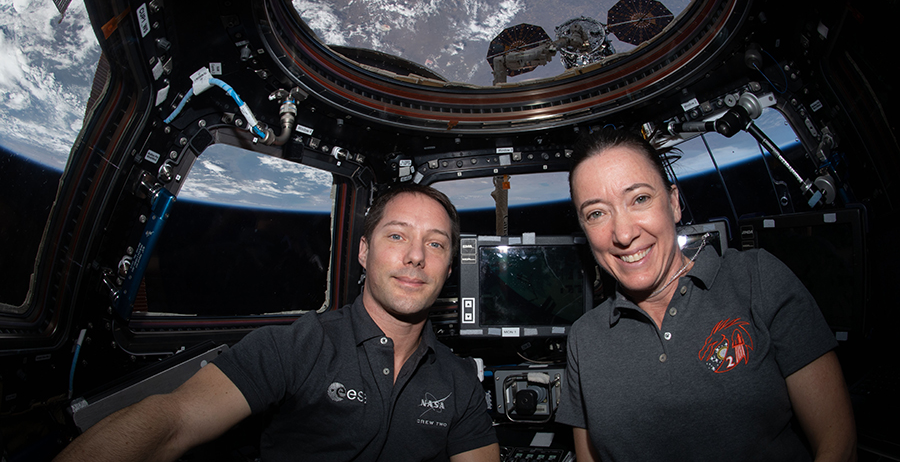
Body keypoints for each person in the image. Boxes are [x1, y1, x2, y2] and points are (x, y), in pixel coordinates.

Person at [54, 184, 500, 462]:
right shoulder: (294, 347)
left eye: (436, 244)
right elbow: (173, 420)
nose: (416, 256)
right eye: (397, 235)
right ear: (364, 252)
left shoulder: (458, 381)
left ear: (447, 268)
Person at [555, 127, 857, 462]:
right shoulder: (584, 339)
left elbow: (838, 442)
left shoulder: (756, 280)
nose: (624, 234)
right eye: (596, 213)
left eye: (640, 199)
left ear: (673, 203)